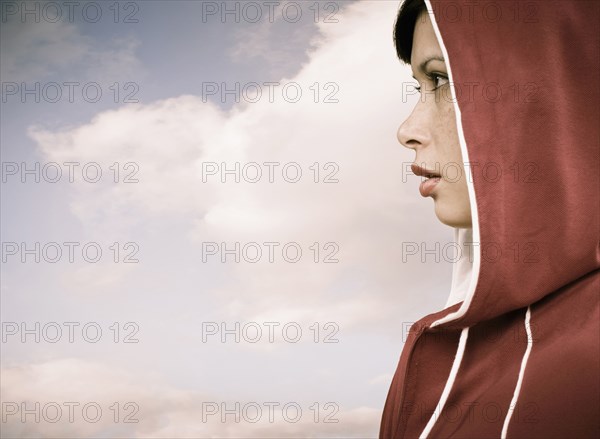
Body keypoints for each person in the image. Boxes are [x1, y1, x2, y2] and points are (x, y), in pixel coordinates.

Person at [380, 0, 599, 438]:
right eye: (420, 85)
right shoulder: (435, 347)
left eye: (441, 79)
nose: (407, 130)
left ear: (554, 89)